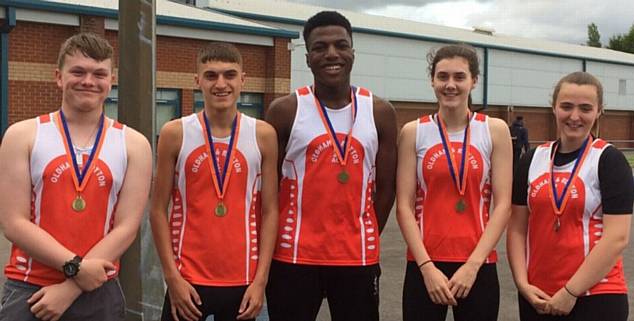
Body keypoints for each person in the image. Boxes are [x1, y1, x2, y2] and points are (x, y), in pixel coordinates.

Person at [0, 32, 152, 321]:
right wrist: (76, 268)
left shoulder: (134, 144)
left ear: (111, 80)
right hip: (30, 288)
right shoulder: (22, 135)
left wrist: (71, 287)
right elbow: (13, 223)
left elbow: (127, 228)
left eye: (99, 74)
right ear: (58, 76)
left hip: (100, 291)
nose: (88, 81)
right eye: (78, 71)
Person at [264, 10, 397, 321]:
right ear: (308, 57)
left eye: (341, 45)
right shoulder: (285, 110)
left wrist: (361, 232)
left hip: (356, 257)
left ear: (353, 52)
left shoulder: (379, 111)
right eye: (320, 48)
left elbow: (387, 187)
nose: (332, 54)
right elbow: (267, 187)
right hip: (294, 256)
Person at [150, 42, 278, 321]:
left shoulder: (263, 134)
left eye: (229, 75)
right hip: (187, 279)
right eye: (211, 76)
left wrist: (260, 281)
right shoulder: (175, 133)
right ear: (197, 81)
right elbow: (158, 209)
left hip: (243, 279)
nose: (221, 84)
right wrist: (172, 278)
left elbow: (270, 211)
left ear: (243, 79)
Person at [396, 44, 512, 321]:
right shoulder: (414, 132)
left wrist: (473, 266)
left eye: (459, 77)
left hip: (478, 264)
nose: (450, 85)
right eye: (442, 76)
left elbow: (503, 204)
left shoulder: (494, 130)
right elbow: (404, 205)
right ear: (432, 80)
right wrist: (426, 266)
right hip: (425, 264)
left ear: (474, 80)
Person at [508, 71, 633, 321]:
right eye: (566, 106)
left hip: (596, 294)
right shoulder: (532, 159)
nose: (574, 116)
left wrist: (570, 291)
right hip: (538, 294)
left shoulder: (609, 160)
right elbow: (517, 229)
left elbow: (617, 238)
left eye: (585, 108)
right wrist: (522, 284)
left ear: (599, 112)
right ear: (554, 108)